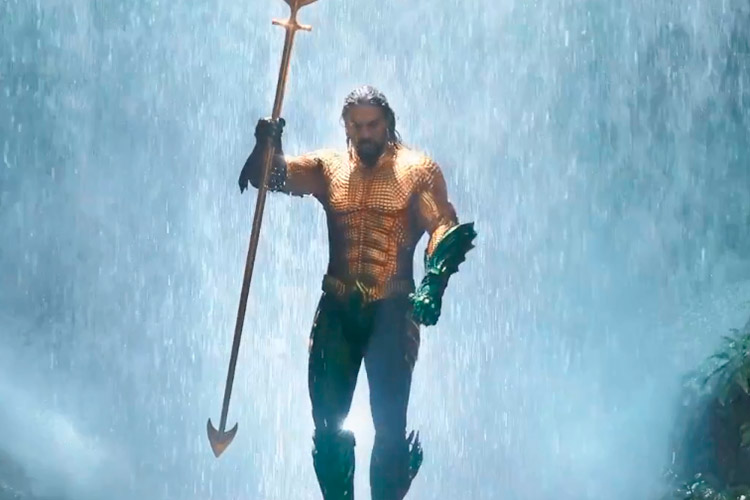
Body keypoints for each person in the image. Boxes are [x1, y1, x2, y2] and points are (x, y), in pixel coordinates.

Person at [238, 85, 477, 500]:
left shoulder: (417, 170)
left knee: (389, 426)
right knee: (327, 424)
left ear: (388, 123)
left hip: (392, 310)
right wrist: (266, 143)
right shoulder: (328, 167)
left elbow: (442, 224)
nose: (365, 133)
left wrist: (433, 283)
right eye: (357, 125)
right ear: (345, 126)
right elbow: (271, 176)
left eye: (373, 125)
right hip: (337, 308)